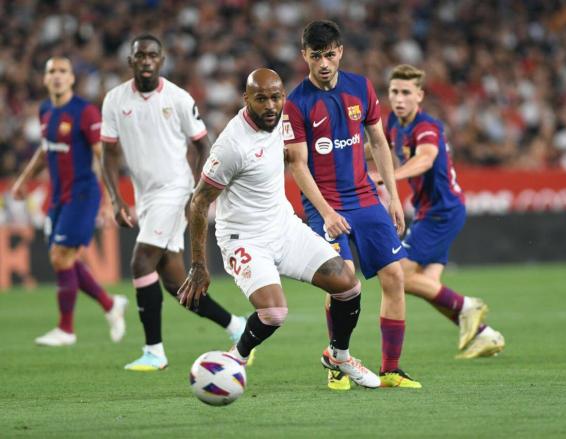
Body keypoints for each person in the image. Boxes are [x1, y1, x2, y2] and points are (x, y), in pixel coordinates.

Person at [178, 68, 380, 388]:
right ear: (246, 100)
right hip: (244, 238)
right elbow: (199, 202)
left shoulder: (283, 121)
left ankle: (338, 356)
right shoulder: (232, 145)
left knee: (348, 287)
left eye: (276, 97)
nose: (270, 105)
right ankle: (237, 357)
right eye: (261, 99)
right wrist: (199, 265)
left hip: (284, 227)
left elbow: (303, 152)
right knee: (274, 313)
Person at [283, 20, 420, 389]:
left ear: (340, 51)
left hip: (364, 196)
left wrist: (389, 193)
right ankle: (336, 359)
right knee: (342, 279)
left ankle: (391, 368)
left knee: (394, 276)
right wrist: (326, 213)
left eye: (329, 54)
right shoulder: (295, 103)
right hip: (323, 204)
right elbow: (296, 164)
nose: (324, 63)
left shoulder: (361, 87)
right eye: (316, 56)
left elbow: (379, 142)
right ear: (304, 57)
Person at [100, 34, 246, 371]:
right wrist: (115, 196)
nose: (147, 60)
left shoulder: (179, 99)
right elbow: (108, 154)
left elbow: (203, 145)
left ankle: (155, 351)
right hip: (145, 196)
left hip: (175, 189)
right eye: (140, 56)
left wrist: (197, 194)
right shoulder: (114, 100)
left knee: (140, 263)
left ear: (161, 60)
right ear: (131, 61)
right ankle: (236, 326)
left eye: (152, 55)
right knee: (175, 283)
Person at [380, 64, 505, 359]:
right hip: (431, 210)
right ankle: (485, 334)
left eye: (406, 92)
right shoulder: (394, 125)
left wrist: (388, 177)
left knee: (400, 276)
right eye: (394, 92)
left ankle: (466, 306)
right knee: (429, 286)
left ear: (419, 96)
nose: (399, 98)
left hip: (441, 211)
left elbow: (425, 160)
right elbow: (378, 149)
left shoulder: (426, 127)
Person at [11, 56, 127, 347]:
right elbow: (44, 150)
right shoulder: (46, 110)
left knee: (60, 257)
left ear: (72, 78)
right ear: (45, 78)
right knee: (65, 259)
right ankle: (110, 304)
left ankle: (66, 329)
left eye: (63, 71)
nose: (58, 76)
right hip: (58, 197)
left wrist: (112, 196)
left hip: (83, 194)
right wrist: (24, 179)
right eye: (52, 71)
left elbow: (100, 155)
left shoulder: (84, 112)